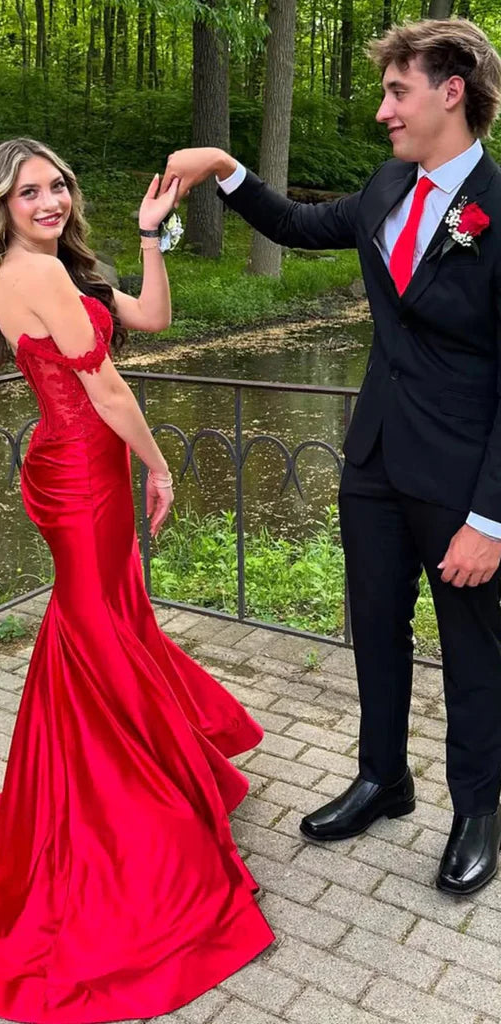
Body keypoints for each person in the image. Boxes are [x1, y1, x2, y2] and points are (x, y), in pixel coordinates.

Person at [0, 138, 273, 1023]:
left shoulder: (65, 268)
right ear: (2, 205)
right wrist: (161, 465)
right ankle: (126, 814)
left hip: (90, 468)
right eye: (29, 192)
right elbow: (105, 389)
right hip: (80, 475)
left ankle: (103, 791)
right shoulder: (32, 275)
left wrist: (150, 235)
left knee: (110, 622)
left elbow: (152, 320)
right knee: (96, 630)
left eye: (58, 184)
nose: (50, 201)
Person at [162, 18, 501, 896]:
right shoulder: (388, 185)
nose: (384, 110)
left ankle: (477, 810)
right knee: (375, 628)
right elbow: (299, 224)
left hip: (463, 476)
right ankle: (383, 779)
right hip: (375, 459)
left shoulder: (498, 212)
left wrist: (490, 518)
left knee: (474, 653)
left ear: (451, 92)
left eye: (397, 91)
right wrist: (225, 169)